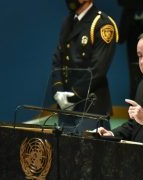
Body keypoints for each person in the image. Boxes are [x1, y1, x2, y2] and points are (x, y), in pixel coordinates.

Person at [51, 0, 119, 134]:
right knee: (65, 150)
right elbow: (57, 60)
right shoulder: (68, 21)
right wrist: (58, 91)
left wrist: (74, 96)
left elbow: (98, 70)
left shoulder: (102, 24)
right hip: (65, 104)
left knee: (91, 152)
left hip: (90, 105)